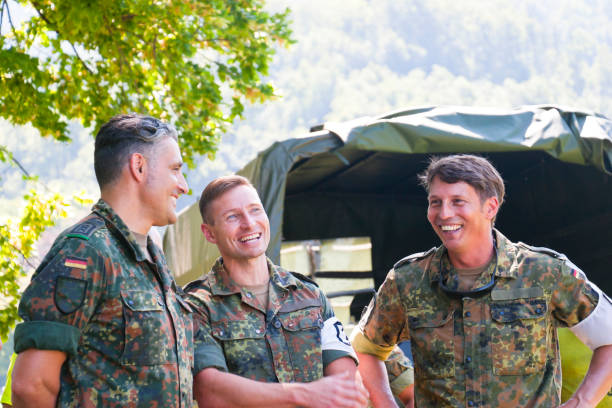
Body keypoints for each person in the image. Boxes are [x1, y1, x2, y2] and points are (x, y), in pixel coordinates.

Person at [351, 154, 612, 407]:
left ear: (490, 207)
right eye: (435, 202)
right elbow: (365, 350)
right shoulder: (408, 280)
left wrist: (582, 402)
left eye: (457, 201)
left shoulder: (544, 273)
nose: (444, 214)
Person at [11, 114, 193, 407]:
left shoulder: (152, 256)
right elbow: (31, 385)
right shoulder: (85, 252)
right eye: (175, 169)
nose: (183, 185)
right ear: (139, 166)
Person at [184, 175, 369, 407]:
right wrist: (303, 395)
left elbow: (347, 385)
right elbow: (211, 391)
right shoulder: (196, 306)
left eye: (255, 210)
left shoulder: (310, 296)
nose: (249, 223)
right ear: (209, 233)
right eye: (232, 217)